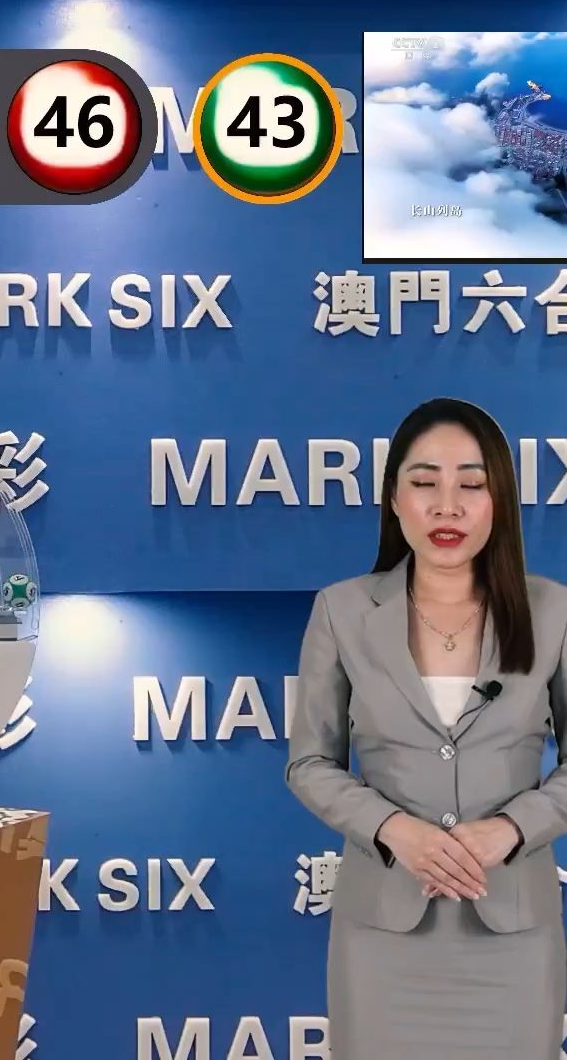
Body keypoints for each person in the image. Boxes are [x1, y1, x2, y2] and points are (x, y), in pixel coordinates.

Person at [286, 397, 567, 1059]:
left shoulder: (553, 611)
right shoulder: (343, 611)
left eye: (471, 485)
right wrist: (395, 830)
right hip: (383, 936)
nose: (447, 506)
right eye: (424, 483)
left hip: (513, 935)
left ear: (500, 501)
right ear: (393, 499)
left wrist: (511, 829)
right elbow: (309, 763)